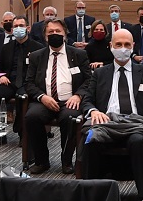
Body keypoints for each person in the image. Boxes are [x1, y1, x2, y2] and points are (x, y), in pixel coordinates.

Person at [79, 28, 143, 196]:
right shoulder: (100, 74)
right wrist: (93, 111)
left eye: (127, 44)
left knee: (138, 141)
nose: (123, 49)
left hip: (136, 125)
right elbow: (87, 100)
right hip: (106, 124)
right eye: (118, 44)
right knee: (90, 141)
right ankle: (90, 194)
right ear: (110, 46)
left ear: (133, 46)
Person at [24, 19, 92, 174]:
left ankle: (66, 161)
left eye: (58, 31)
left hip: (70, 101)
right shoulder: (36, 56)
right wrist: (42, 97)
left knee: (70, 118)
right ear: (45, 36)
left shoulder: (79, 54)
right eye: (51, 32)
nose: (55, 34)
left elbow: (89, 80)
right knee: (32, 117)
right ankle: (41, 161)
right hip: (44, 100)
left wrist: (78, 95)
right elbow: (29, 83)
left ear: (65, 34)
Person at [0, 16, 42, 133]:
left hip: (28, 83)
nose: (18, 28)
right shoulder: (6, 47)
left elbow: (42, 70)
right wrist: (1, 76)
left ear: (28, 28)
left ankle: (22, 131)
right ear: (12, 30)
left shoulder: (37, 48)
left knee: (22, 97)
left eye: (21, 26)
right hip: (10, 82)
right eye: (16, 26)